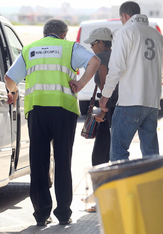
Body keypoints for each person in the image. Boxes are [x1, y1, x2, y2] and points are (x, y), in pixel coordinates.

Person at [4, 19, 100, 226]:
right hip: (63, 111)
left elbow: (9, 78)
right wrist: (80, 83)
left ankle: (41, 215)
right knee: (63, 161)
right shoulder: (69, 47)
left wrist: (12, 93)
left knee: (38, 164)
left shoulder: (29, 49)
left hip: (36, 111)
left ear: (45, 32)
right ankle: (64, 214)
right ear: (64, 33)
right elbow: (94, 61)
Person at [99, 1, 163, 161]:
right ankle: (153, 185)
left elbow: (116, 68)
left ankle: (124, 186)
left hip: (129, 102)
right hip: (152, 103)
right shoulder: (157, 35)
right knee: (151, 153)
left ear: (124, 16)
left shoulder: (125, 33)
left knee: (119, 151)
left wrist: (105, 95)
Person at [83, 27, 118, 166]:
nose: (91, 47)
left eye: (92, 44)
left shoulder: (101, 57)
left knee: (100, 154)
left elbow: (104, 84)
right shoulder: (116, 55)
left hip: (109, 108)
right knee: (114, 149)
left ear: (101, 42)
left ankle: (102, 182)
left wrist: (103, 111)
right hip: (118, 107)